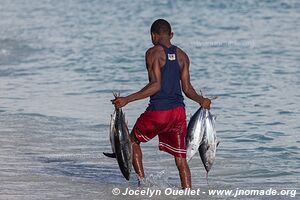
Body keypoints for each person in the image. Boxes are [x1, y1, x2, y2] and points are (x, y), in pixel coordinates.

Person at [112, 19, 211, 189]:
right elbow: (187, 89)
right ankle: (188, 193)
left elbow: (155, 85)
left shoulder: (153, 53)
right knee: (181, 159)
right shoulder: (182, 56)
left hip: (159, 112)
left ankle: (142, 184)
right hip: (178, 113)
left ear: (153, 35)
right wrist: (202, 101)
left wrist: (127, 99)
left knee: (132, 141)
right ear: (171, 35)